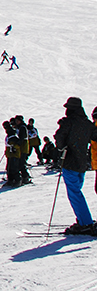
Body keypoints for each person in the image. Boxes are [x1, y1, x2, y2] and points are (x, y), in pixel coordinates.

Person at [54, 96, 97, 235]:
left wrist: (62, 146)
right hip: (82, 163)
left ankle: (86, 222)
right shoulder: (87, 123)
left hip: (70, 161)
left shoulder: (68, 122)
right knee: (77, 190)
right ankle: (83, 219)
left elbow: (59, 137)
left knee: (74, 193)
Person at [3, 121, 22, 187]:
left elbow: (17, 142)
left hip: (14, 154)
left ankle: (18, 180)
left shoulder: (11, 132)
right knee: (9, 167)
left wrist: (14, 147)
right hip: (10, 153)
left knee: (14, 167)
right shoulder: (10, 132)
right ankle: (10, 180)